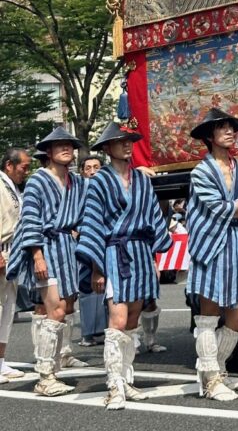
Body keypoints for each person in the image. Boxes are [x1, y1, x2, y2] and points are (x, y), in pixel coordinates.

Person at [76, 121, 172, 410]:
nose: (127, 144)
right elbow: (92, 222)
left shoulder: (142, 180)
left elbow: (155, 217)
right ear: (107, 147)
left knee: (132, 320)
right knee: (116, 321)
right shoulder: (99, 181)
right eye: (120, 141)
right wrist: (96, 268)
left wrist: (155, 257)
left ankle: (126, 379)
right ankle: (114, 385)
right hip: (114, 253)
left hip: (141, 251)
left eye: (130, 140)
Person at [187, 108, 238, 402]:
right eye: (222, 128)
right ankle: (210, 380)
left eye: (231, 127)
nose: (229, 132)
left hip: (235, 244)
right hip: (210, 246)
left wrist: (235, 206)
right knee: (208, 316)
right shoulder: (201, 171)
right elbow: (218, 208)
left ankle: (216, 369)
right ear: (209, 136)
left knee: (237, 318)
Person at [6, 127, 87, 396]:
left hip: (67, 247)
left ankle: (53, 365)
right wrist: (37, 255)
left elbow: (95, 196)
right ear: (49, 152)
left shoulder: (76, 182)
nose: (66, 148)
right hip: (46, 248)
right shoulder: (38, 181)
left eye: (69, 145)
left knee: (65, 308)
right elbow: (29, 219)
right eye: (59, 145)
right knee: (54, 310)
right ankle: (45, 375)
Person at [0, 148, 31, 383]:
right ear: (9, 165)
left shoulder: (13, 187)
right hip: (2, 249)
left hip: (13, 251)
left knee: (8, 309)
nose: (26, 172)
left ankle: (1, 361)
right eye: (24, 167)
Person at [76, 155, 106, 347]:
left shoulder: (108, 187)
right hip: (84, 241)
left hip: (107, 240)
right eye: (89, 168)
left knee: (107, 287)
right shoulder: (77, 189)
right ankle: (88, 332)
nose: (93, 171)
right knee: (86, 285)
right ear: (82, 171)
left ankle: (104, 329)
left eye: (97, 167)